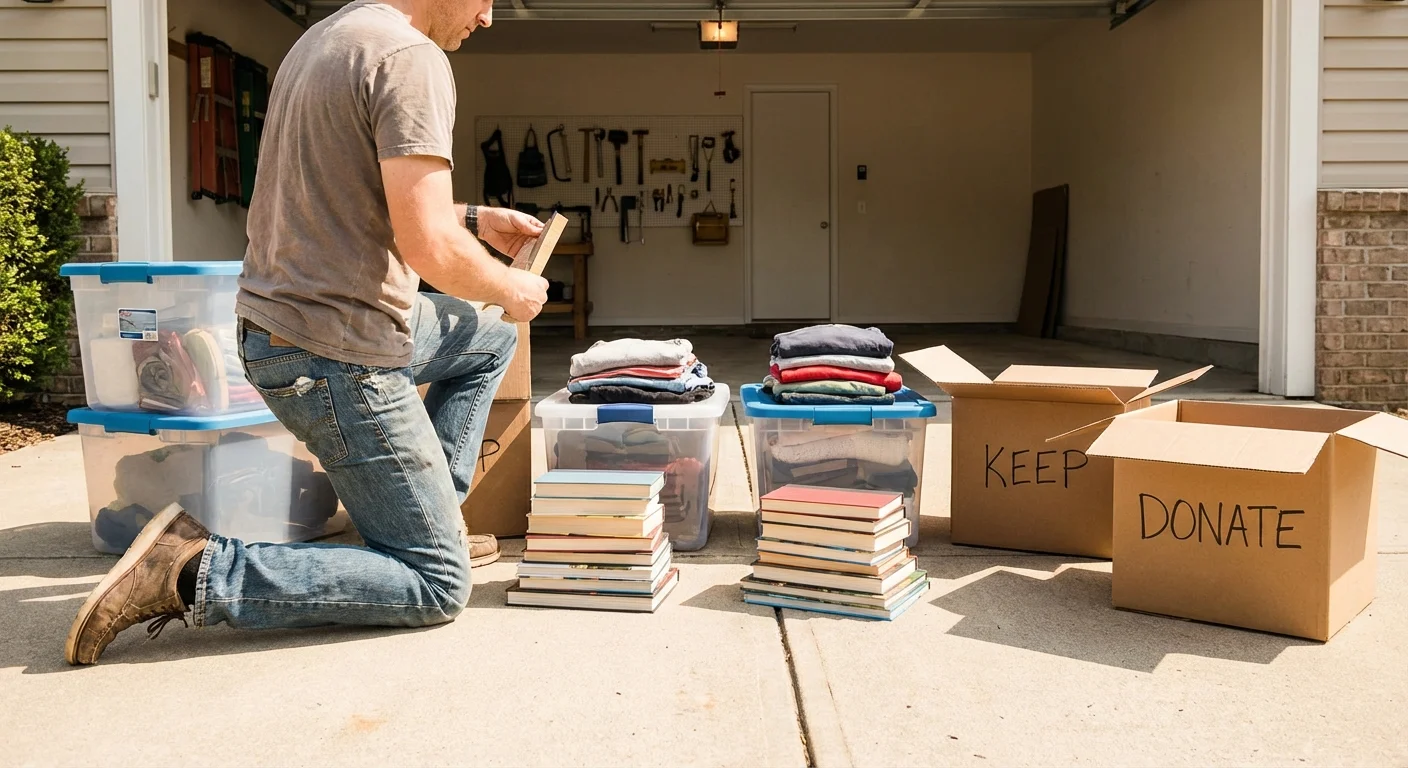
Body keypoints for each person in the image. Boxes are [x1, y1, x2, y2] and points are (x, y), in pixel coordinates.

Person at [64, 0, 548, 666]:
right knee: (437, 585)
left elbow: (350, 189)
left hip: (287, 327)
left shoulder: (332, 38)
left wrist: (472, 215)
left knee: (488, 340)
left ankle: (430, 513)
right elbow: (430, 245)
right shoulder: (413, 59)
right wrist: (509, 285)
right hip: (338, 352)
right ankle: (192, 570)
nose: (489, 17)